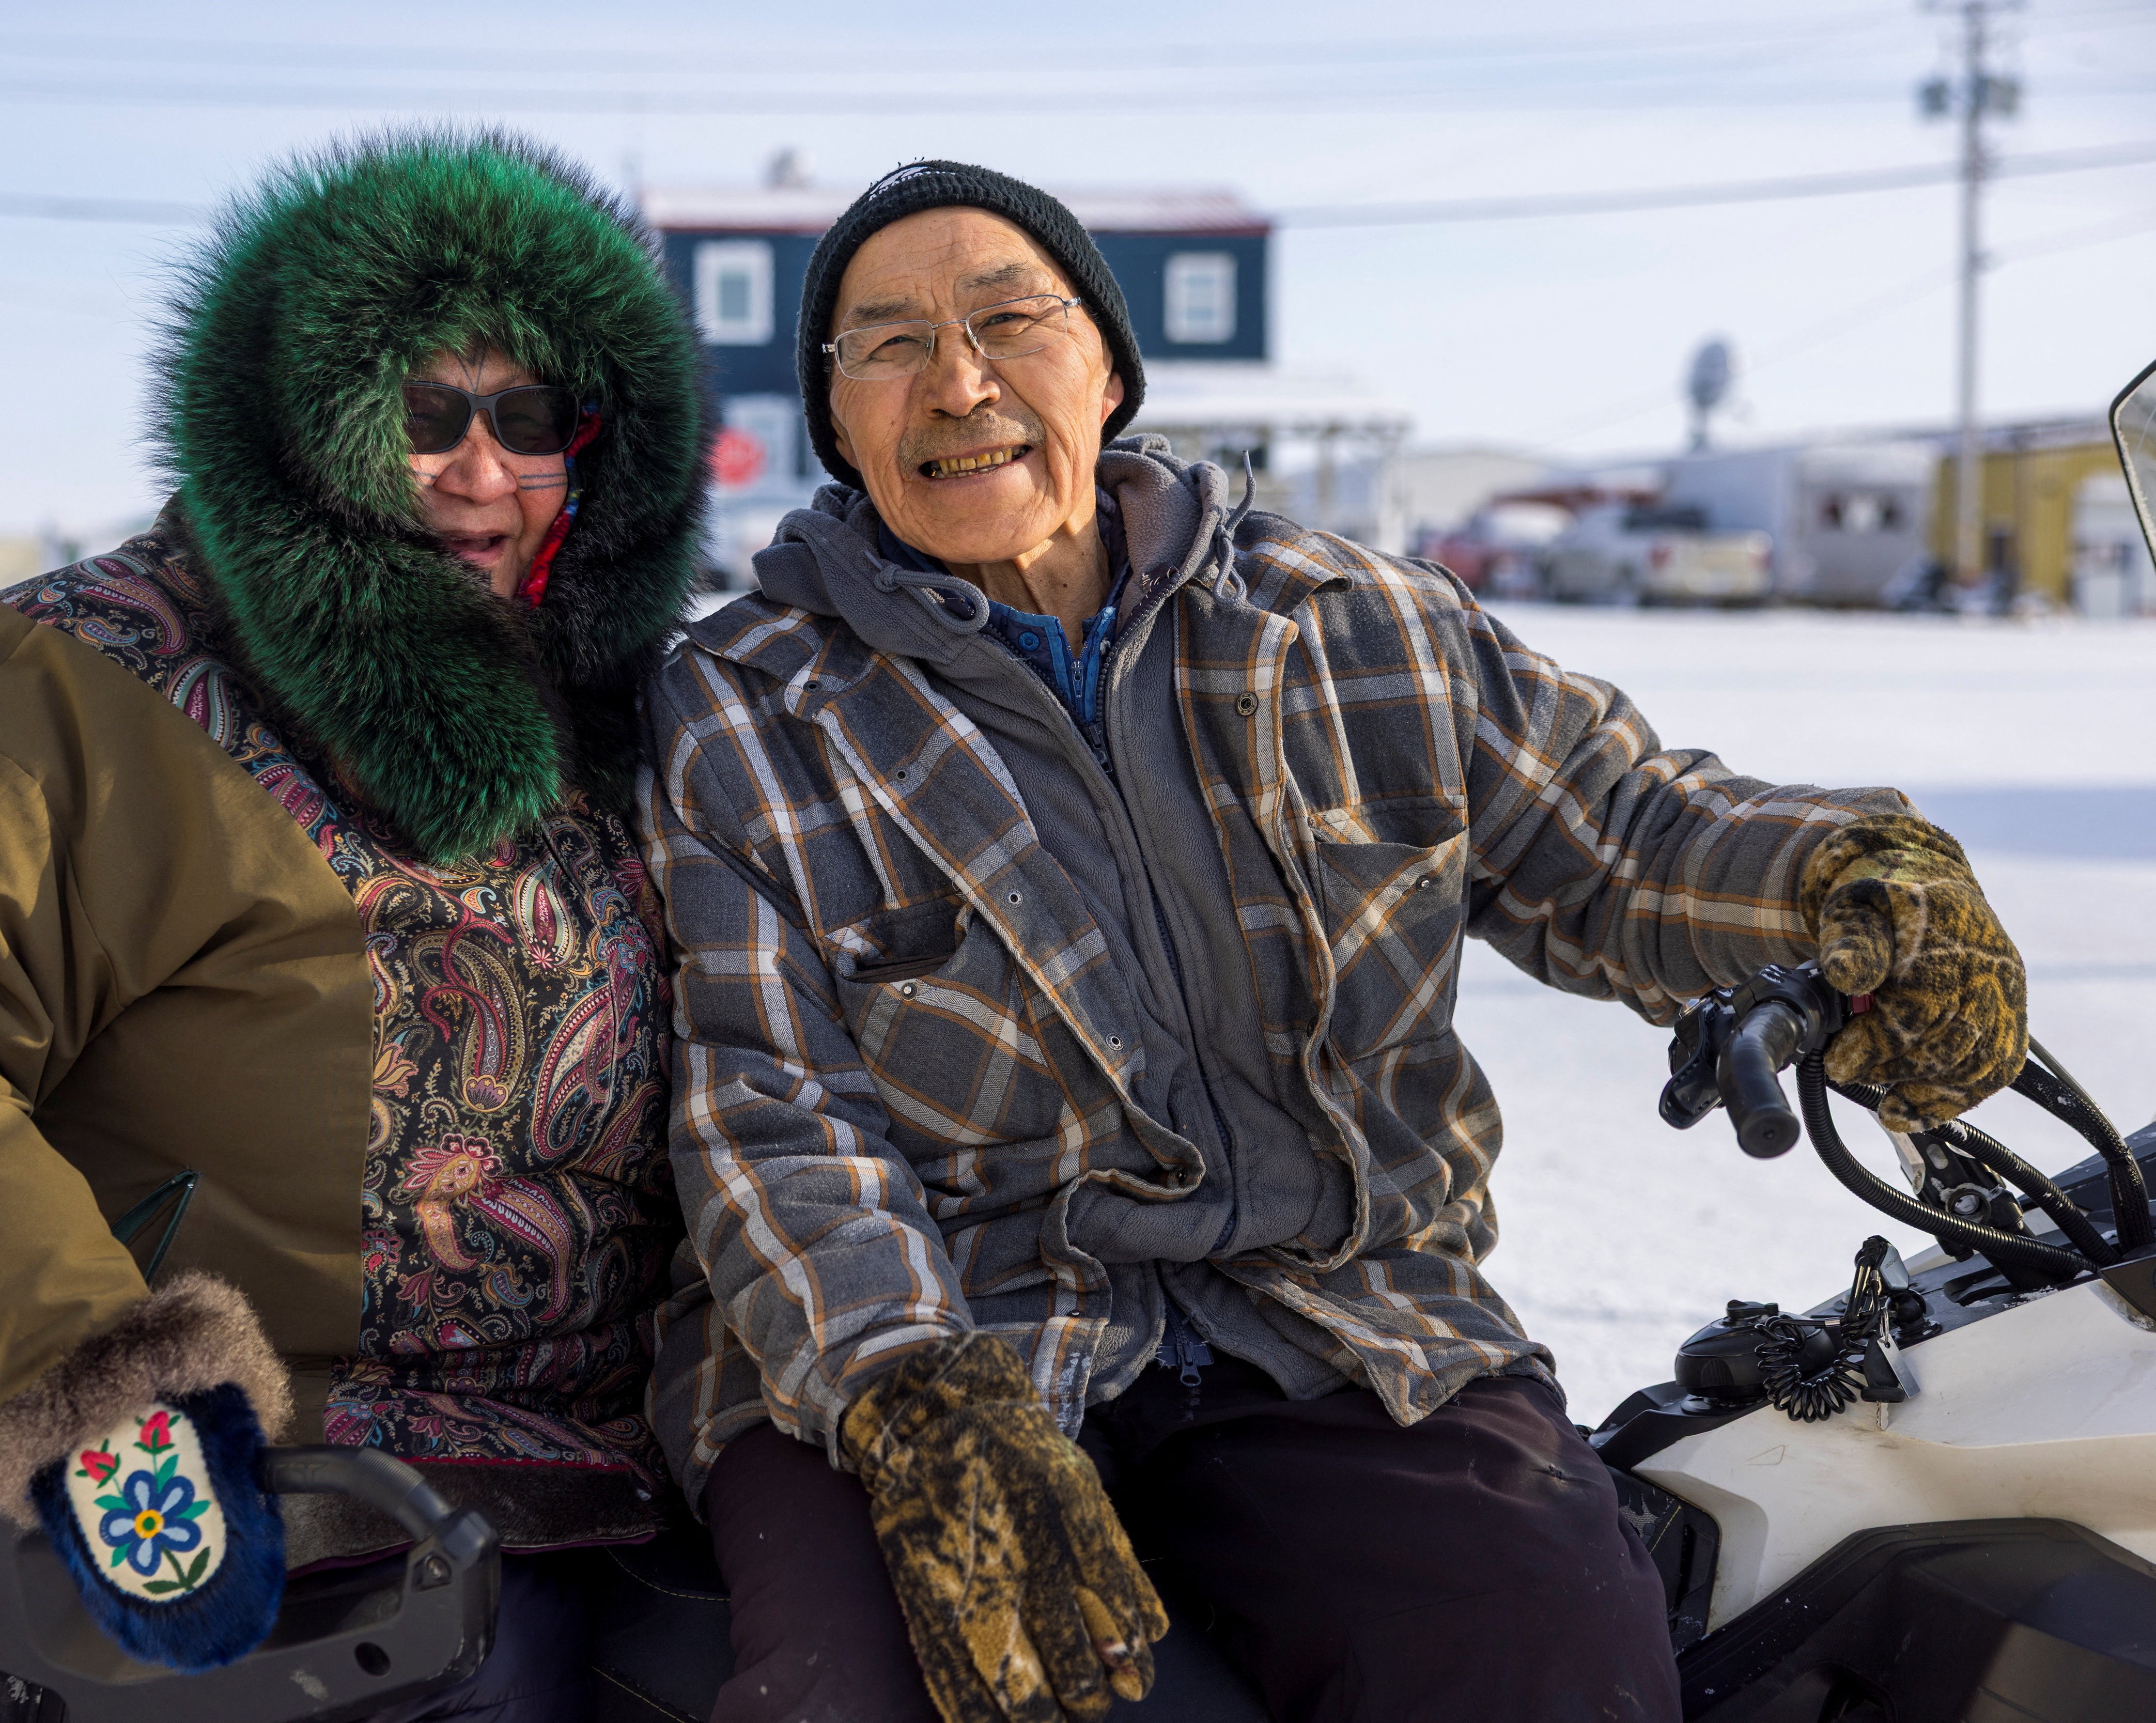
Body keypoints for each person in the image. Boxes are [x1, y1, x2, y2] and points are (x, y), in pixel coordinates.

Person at [638, 160, 2025, 1723]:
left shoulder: (1352, 623)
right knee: (901, 1691)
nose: (957, 382)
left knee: (1550, 1658)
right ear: (838, 423)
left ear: (1106, 366)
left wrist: (1846, 881)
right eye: (887, 346)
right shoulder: (750, 703)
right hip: (941, 1341)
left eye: (1008, 319)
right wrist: (913, 1390)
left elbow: (1623, 837)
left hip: (1336, 1318)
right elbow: (769, 1107)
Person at [0, 130, 706, 1714]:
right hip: (279, 1460)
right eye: (421, 414)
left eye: (529, 418)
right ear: (303, 420)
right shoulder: (86, 673)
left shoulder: (625, 705)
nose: (478, 472)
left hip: (623, 1453)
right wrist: (118, 1395)